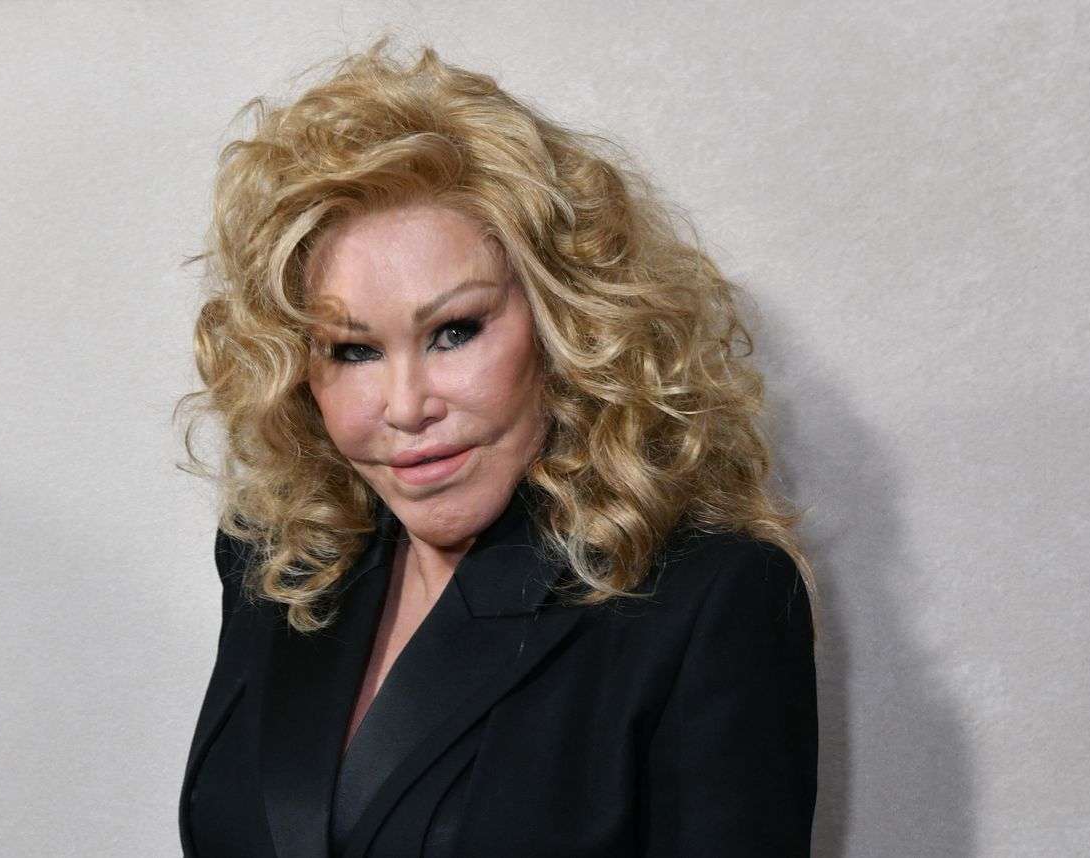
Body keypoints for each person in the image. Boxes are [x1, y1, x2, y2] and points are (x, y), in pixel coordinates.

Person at [175, 37, 818, 858]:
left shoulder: (708, 604)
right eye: (354, 350)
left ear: (565, 324)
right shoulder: (279, 562)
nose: (406, 407)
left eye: (454, 332)